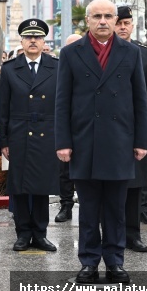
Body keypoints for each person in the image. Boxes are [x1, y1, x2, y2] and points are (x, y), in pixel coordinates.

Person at [55, 0, 147, 284]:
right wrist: (63, 142)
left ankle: (115, 262)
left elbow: (140, 100)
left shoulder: (131, 53)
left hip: (119, 142)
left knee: (116, 209)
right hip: (84, 142)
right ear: (88, 19)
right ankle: (89, 262)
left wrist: (142, 140)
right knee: (88, 209)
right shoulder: (71, 53)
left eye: (109, 16)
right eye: (97, 16)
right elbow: (62, 102)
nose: (104, 21)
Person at [0, 18, 60, 252]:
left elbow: (62, 105)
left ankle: (41, 233)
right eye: (28, 37)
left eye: (37, 37)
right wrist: (3, 140)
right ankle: (23, 233)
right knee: (20, 187)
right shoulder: (11, 68)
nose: (33, 41)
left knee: (42, 187)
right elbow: (3, 108)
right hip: (19, 133)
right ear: (22, 41)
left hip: (47, 133)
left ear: (44, 41)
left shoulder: (56, 66)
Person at [114, 5, 147, 253]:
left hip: (136, 130)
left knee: (135, 185)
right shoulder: (103, 51)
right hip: (110, 130)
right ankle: (111, 234)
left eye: (127, 22)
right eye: (119, 22)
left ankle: (133, 235)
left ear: (133, 25)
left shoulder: (144, 54)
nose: (123, 27)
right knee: (109, 184)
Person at [54, 33, 82, 223]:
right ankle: (66, 205)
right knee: (65, 170)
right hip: (67, 125)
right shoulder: (60, 66)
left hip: (85, 127)